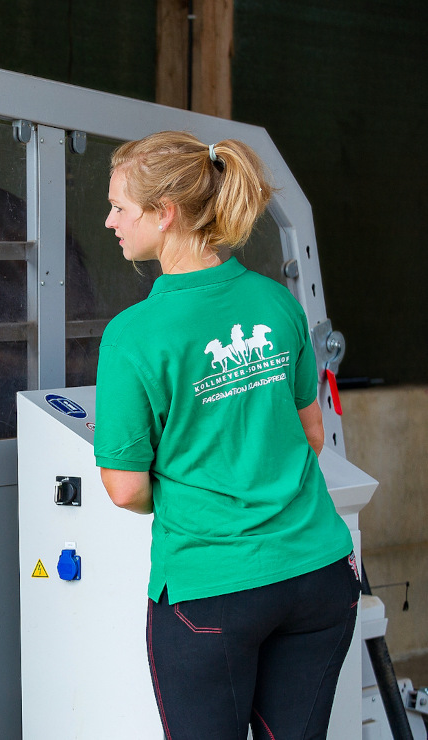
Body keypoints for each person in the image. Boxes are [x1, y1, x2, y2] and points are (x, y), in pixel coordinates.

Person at [94, 131, 359, 739]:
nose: (109, 222)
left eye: (119, 208)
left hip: (210, 593)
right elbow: (311, 434)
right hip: (317, 576)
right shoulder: (276, 302)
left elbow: (125, 489)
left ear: (164, 215)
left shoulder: (133, 336)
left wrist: (202, 491)